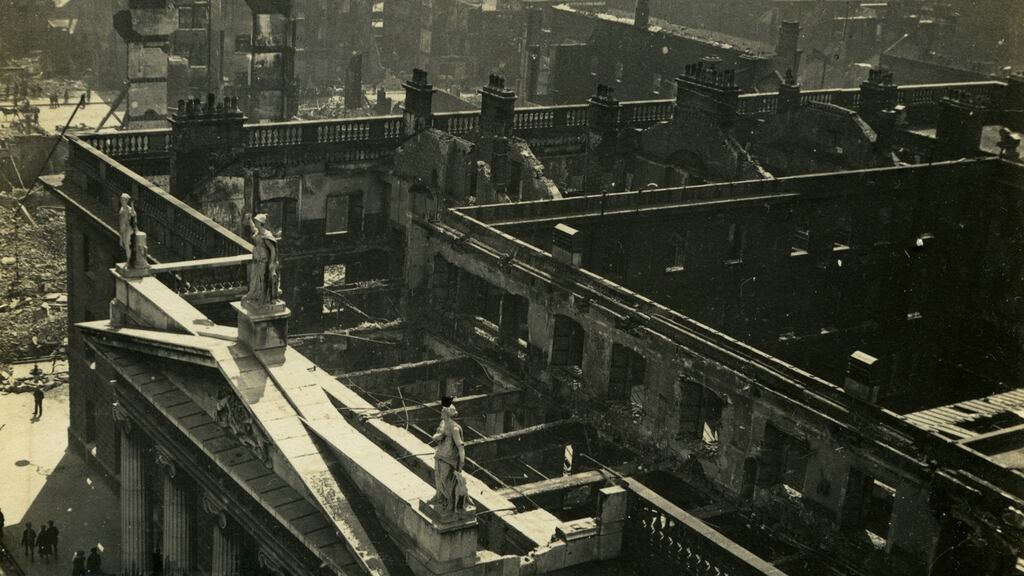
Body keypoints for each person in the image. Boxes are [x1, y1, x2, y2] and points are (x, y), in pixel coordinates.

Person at [430, 396, 468, 515]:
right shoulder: (443, 423)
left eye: (443, 411)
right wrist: (438, 436)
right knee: (438, 477)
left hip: (449, 458)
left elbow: (460, 446)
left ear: (447, 413)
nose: (441, 412)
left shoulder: (454, 428)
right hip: (440, 454)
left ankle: (451, 505)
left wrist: (461, 463)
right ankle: (439, 497)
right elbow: (436, 435)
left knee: (447, 481)